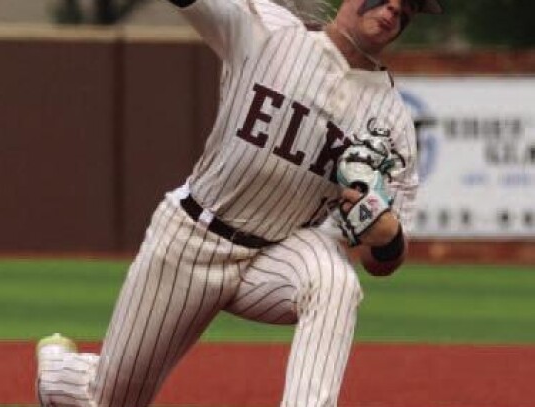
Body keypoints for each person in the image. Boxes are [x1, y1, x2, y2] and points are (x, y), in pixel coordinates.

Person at [36, 0, 443, 406]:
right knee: (108, 400)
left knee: (335, 283)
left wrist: (387, 238)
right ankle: (58, 370)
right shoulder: (269, 31)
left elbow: (383, 260)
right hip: (192, 238)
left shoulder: (392, 122)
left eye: (409, 5)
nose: (394, 6)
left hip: (275, 251)